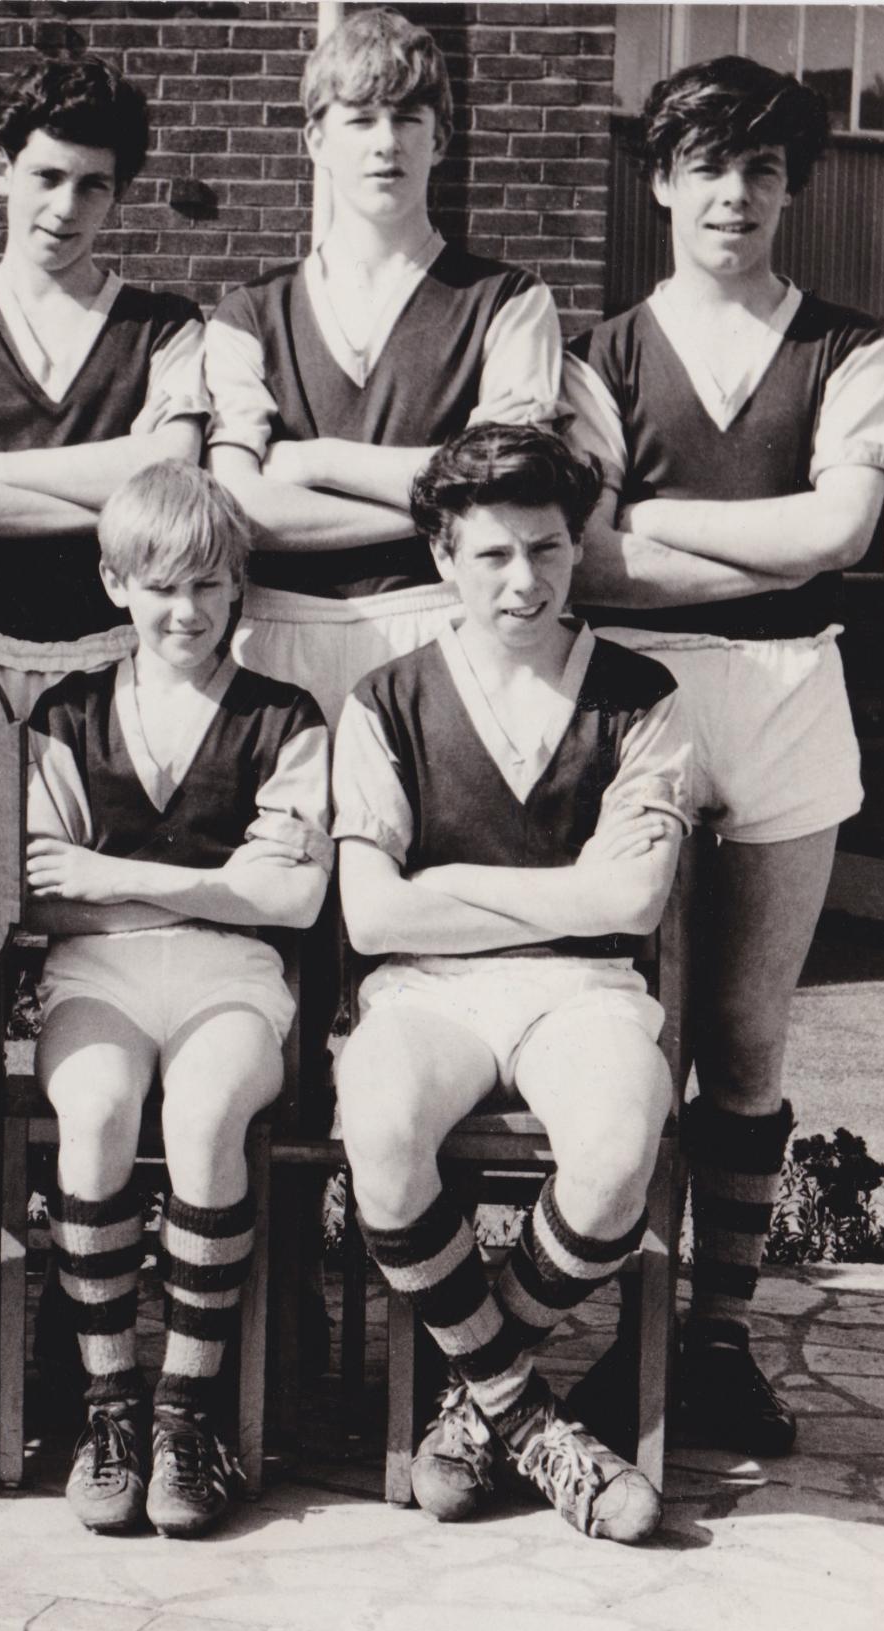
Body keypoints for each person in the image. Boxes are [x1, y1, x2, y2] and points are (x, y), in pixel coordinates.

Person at [561, 57, 884, 1460]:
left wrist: (659, 527)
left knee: (749, 1040)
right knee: (643, 1037)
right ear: (661, 180)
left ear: (791, 188)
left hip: (790, 698)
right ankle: (632, 1335)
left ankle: (716, 1334)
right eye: (708, 164)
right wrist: (731, 544)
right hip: (638, 706)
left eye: (762, 169)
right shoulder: (602, 354)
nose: (735, 193)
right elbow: (579, 560)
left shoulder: (855, 349)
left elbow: (841, 538)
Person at [334, 425, 688, 1546]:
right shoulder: (385, 700)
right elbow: (372, 915)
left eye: (545, 549)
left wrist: (450, 879)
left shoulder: (642, 695)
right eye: (491, 556)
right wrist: (562, 886)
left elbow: (630, 907)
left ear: (577, 548)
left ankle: (478, 1405)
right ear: (442, 558)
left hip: (584, 989)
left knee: (620, 1150)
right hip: (426, 986)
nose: (523, 582)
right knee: (381, 1130)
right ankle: (525, 1416)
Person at [24, 462, 329, 1538]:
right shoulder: (65, 713)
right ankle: (110, 1404)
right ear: (116, 586)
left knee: (206, 1116)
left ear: (238, 589)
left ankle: (186, 1413)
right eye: (160, 586)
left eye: (208, 586)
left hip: (234, 980)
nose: (185, 611)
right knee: (98, 1108)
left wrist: (124, 880)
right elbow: (38, 898)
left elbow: (290, 899)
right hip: (99, 974)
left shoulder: (283, 717)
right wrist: (205, 895)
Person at [204, 8, 563, 728]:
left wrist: (316, 460)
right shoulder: (248, 313)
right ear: (316, 139)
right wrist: (441, 507)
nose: (385, 142)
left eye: (407, 117)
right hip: (277, 641)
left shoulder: (508, 302)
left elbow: (501, 487)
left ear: (441, 139)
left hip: (444, 628)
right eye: (360, 118)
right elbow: (239, 510)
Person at [0, 57, 206, 705]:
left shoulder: (166, 326)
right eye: (48, 176)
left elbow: (173, 476)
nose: (66, 207)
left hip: (123, 660)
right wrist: (123, 498)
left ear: (118, 193)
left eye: (92, 185)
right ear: (1, 170)